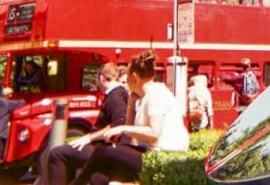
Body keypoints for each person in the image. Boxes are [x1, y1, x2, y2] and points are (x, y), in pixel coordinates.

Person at [72, 51, 189, 185]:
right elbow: (130, 136)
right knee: (101, 172)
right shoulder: (141, 97)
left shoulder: (156, 93)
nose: (125, 82)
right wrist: (131, 102)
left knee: (101, 152)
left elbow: (154, 133)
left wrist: (122, 128)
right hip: (149, 152)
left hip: (164, 156)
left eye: (126, 76)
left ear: (134, 77)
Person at [44, 62, 129, 185]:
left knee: (57, 154)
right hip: (102, 148)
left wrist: (89, 138)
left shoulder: (115, 96)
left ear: (101, 78)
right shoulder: (116, 94)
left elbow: (119, 123)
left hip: (102, 149)